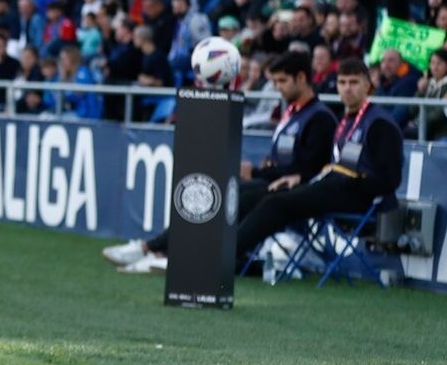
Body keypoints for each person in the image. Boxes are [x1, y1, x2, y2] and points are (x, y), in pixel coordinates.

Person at [102, 51, 336, 273]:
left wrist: (256, 173)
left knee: (227, 196)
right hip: (272, 183)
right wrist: (260, 170)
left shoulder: (319, 118)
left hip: (292, 191)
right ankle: (162, 249)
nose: (276, 87)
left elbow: (307, 169)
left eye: (282, 81)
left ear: (301, 78)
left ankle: (160, 250)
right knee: (214, 190)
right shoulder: (293, 113)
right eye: (274, 81)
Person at [231, 57, 404, 267]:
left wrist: (350, 182)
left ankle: (227, 257)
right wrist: (302, 178)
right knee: (271, 195)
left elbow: (390, 179)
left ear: (368, 86)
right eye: (342, 82)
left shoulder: (379, 123)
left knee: (274, 203)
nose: (347, 88)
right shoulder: (346, 120)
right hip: (332, 185)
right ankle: (235, 255)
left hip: (359, 197)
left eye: (354, 82)